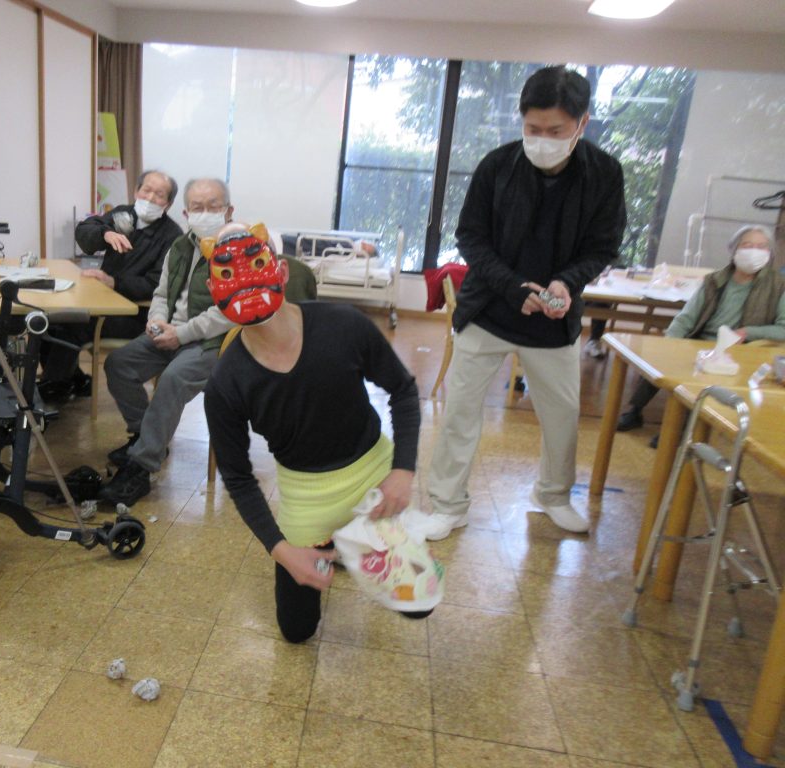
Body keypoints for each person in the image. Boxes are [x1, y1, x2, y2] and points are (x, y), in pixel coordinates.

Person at [426, 65, 627, 538]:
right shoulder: (497, 166)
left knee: (562, 417)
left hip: (554, 319)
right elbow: (471, 238)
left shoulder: (604, 173)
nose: (542, 140)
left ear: (582, 123)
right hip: (488, 311)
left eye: (555, 131)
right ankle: (447, 504)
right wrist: (514, 287)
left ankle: (552, 496)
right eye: (532, 128)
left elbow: (603, 246)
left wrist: (565, 283)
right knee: (459, 413)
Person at [203, 223, 425, 643]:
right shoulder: (226, 383)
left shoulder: (344, 325)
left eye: (256, 264)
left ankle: (357, 540)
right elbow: (237, 477)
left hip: (373, 474)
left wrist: (402, 470)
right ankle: (340, 543)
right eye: (230, 273)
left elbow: (403, 390)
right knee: (297, 630)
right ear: (215, 290)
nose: (247, 282)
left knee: (417, 601)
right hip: (306, 495)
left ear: (282, 271)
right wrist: (281, 549)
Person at [97, 178, 237, 506]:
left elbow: (231, 311)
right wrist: (156, 322)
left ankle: (142, 466)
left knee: (173, 379)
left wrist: (181, 334)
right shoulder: (179, 246)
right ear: (186, 213)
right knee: (119, 364)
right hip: (170, 331)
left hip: (212, 342)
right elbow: (161, 294)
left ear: (229, 211)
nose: (205, 213)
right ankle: (146, 437)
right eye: (197, 208)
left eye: (213, 207)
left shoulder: (238, 251)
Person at [617, 225, 785, 432]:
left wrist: (748, 331)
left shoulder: (779, 285)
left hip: (741, 349)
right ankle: (635, 411)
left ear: (769, 252)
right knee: (663, 360)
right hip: (700, 341)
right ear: (734, 250)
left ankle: (682, 430)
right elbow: (686, 317)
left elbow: (783, 328)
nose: (754, 252)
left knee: (702, 380)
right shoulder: (714, 280)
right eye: (747, 245)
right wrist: (668, 343)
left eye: (761, 247)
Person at [38, 170, 182, 400]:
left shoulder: (172, 235)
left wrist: (115, 282)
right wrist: (105, 233)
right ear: (136, 191)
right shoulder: (123, 214)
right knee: (47, 320)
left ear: (169, 203)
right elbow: (85, 230)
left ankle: (52, 387)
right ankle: (70, 380)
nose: (150, 198)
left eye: (159, 194)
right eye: (146, 190)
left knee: (71, 325)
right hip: (105, 303)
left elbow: (158, 284)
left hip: (138, 314)